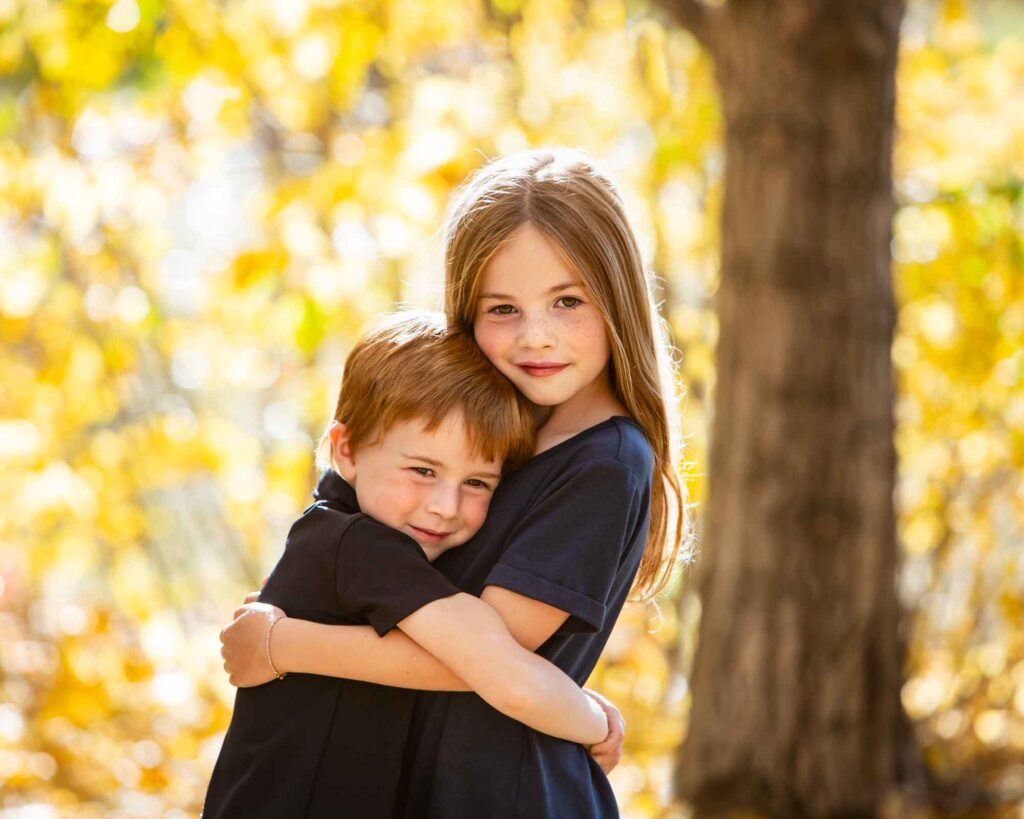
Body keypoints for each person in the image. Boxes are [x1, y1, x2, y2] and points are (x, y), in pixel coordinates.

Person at [219, 148, 688, 817]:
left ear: (617, 296)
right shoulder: (497, 432)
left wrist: (283, 642)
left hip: (502, 790)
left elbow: (487, 659)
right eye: (503, 309)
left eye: (567, 300)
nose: (537, 337)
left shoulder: (604, 464)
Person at [203, 312, 623, 819]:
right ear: (348, 450)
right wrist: (593, 721)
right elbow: (500, 670)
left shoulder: (341, 531)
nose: (445, 506)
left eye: (477, 482)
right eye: (423, 470)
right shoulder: (360, 546)